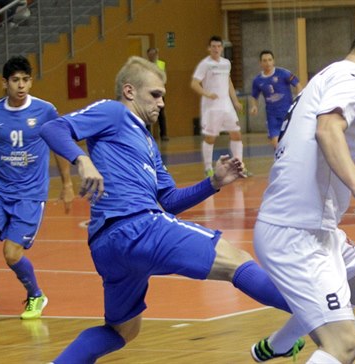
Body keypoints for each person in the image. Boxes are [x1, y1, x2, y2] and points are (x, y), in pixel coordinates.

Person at [40, 56, 295, 363]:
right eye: (155, 95)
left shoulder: (147, 143)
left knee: (123, 330)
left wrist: (213, 182)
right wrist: (82, 160)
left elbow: (170, 200)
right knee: (236, 260)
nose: (161, 103)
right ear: (130, 91)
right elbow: (53, 128)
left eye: (163, 96)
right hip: (138, 227)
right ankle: (321, 314)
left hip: (109, 247)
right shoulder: (113, 112)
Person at [249, 13, 355, 363]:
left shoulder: (327, 75)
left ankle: (277, 344)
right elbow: (327, 130)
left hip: (314, 228)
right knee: (344, 345)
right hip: (297, 233)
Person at [0, 56, 75, 321]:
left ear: (31, 81)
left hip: (31, 196)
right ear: (4, 83)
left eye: (25, 80)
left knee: (11, 254)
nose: (21, 85)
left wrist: (67, 184)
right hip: (1, 191)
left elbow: (60, 147)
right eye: (15, 80)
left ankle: (36, 296)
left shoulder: (45, 111)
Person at [191, 35, 246, 177]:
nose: (216, 49)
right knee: (211, 138)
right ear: (209, 48)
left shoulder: (226, 63)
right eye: (213, 46)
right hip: (211, 108)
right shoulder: (205, 64)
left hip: (227, 106)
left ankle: (239, 166)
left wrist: (235, 101)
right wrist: (207, 93)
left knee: (236, 134)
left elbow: (228, 82)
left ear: (222, 48)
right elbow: (194, 83)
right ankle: (208, 168)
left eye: (218, 46)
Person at [249, 50, 303, 150]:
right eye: (264, 61)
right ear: (260, 63)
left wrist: (298, 101)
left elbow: (298, 85)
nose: (267, 63)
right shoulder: (257, 80)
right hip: (272, 116)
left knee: (291, 142)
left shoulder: (283, 73)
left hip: (287, 114)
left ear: (273, 61)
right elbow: (254, 96)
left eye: (270, 60)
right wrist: (254, 106)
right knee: (276, 146)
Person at [146, 47, 169, 141]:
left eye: (153, 54)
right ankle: (147, 134)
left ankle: (163, 134)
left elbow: (164, 78)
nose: (152, 56)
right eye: (150, 55)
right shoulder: (145, 65)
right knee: (147, 113)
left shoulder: (161, 64)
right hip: (148, 92)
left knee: (161, 114)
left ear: (156, 54)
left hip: (159, 92)